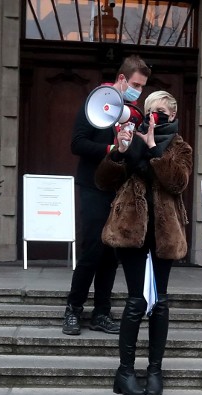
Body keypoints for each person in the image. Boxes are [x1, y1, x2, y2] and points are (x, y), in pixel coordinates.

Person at [95, 91, 192, 395]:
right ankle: (124, 372)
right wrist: (120, 152)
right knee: (137, 301)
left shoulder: (180, 147)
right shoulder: (130, 139)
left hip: (164, 234)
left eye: (162, 112)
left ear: (173, 116)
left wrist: (153, 149)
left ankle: (154, 371)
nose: (155, 117)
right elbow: (102, 181)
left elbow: (177, 183)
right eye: (151, 112)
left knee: (159, 302)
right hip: (132, 230)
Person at [62, 55, 151, 336]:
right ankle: (73, 309)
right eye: (136, 84)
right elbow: (77, 144)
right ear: (122, 79)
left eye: (143, 86)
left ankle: (102, 312)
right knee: (92, 250)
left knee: (112, 253)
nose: (139, 90)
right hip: (92, 186)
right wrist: (111, 149)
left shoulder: (132, 113)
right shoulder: (96, 102)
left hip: (119, 189)